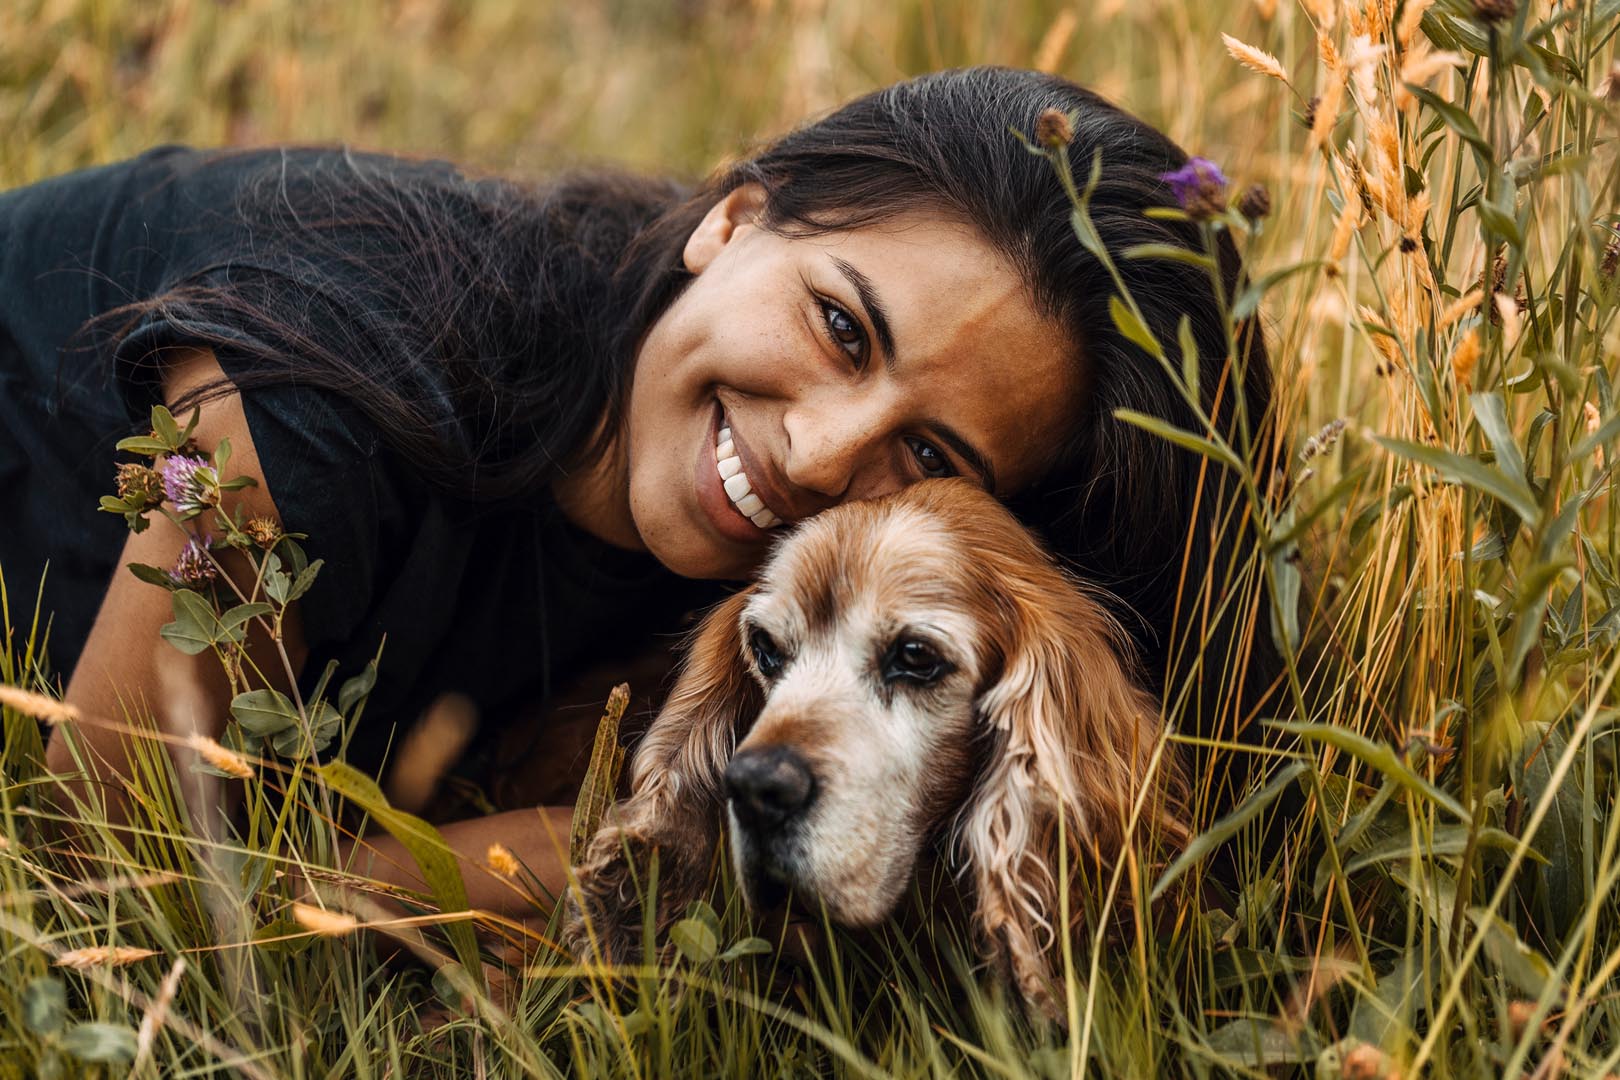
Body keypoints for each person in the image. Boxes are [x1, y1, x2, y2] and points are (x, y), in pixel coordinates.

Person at [2, 66, 1273, 917]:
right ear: (731, 221)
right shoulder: (326, 390)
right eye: (841, 325)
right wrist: (598, 846)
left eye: (933, 458)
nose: (827, 459)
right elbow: (127, 892)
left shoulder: (777, 609)